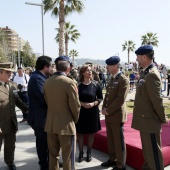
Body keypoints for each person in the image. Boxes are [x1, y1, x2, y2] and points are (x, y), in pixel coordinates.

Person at [131, 45, 168, 170]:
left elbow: (157, 101)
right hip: (145, 120)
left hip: (150, 121)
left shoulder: (151, 74)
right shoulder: (146, 72)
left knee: (154, 156)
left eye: (138, 56)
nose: (136, 59)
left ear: (144, 57)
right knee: (148, 154)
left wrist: (163, 118)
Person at [44, 56, 81, 170]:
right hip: (66, 124)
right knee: (68, 157)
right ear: (68, 69)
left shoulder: (47, 82)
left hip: (50, 124)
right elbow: (75, 105)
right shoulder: (69, 82)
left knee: (53, 156)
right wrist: (74, 120)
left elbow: (47, 101)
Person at [101, 56, 129, 170]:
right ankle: (112, 159)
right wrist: (103, 108)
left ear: (115, 66)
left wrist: (108, 110)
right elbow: (107, 96)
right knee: (111, 140)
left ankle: (120, 164)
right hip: (109, 114)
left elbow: (120, 99)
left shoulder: (123, 80)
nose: (106, 67)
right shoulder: (112, 78)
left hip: (116, 115)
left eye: (108, 65)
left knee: (118, 141)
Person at [0, 62, 28, 170]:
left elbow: (18, 101)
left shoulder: (13, 85)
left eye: (11, 72)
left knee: (10, 145)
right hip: (0, 124)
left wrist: (29, 110)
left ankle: (10, 162)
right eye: (7, 72)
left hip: (11, 122)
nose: (10, 74)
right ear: (0, 73)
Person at [27, 56, 52, 170]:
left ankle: (47, 162)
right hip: (40, 119)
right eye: (50, 66)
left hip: (42, 117)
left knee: (45, 143)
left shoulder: (41, 76)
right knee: (42, 143)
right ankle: (44, 165)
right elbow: (44, 97)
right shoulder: (37, 78)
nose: (51, 68)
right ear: (45, 67)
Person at [76, 64, 103, 163]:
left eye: (90, 70)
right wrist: (82, 104)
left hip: (93, 112)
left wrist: (93, 103)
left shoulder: (96, 84)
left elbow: (100, 98)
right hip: (81, 112)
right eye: (87, 70)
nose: (90, 72)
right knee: (81, 134)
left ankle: (89, 152)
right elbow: (74, 99)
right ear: (83, 72)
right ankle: (81, 153)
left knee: (91, 133)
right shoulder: (77, 85)